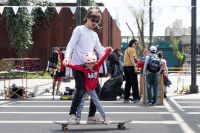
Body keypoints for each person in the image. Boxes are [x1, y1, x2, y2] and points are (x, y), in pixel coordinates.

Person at [62, 9, 111, 124]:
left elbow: (99, 49)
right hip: (79, 66)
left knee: (97, 90)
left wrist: (107, 50)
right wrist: (67, 57)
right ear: (87, 18)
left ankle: (91, 115)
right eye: (93, 20)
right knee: (80, 90)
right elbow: (71, 44)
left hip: (91, 68)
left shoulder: (94, 34)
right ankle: (72, 115)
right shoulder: (79, 29)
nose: (94, 23)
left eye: (97, 21)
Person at [67, 48, 112, 124]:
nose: (90, 65)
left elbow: (103, 58)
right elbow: (75, 67)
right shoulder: (84, 69)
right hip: (85, 88)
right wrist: (67, 64)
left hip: (92, 89)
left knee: (97, 103)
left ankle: (105, 117)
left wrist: (108, 51)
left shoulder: (97, 66)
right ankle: (78, 118)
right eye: (88, 63)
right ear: (85, 63)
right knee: (81, 103)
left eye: (92, 63)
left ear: (95, 62)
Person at [123, 39, 140, 103]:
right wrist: (135, 66)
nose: (136, 45)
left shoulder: (127, 49)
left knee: (128, 83)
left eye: (136, 44)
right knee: (134, 83)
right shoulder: (132, 49)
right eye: (135, 43)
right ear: (132, 43)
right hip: (131, 67)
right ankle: (136, 98)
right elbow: (132, 58)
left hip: (125, 67)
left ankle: (126, 98)